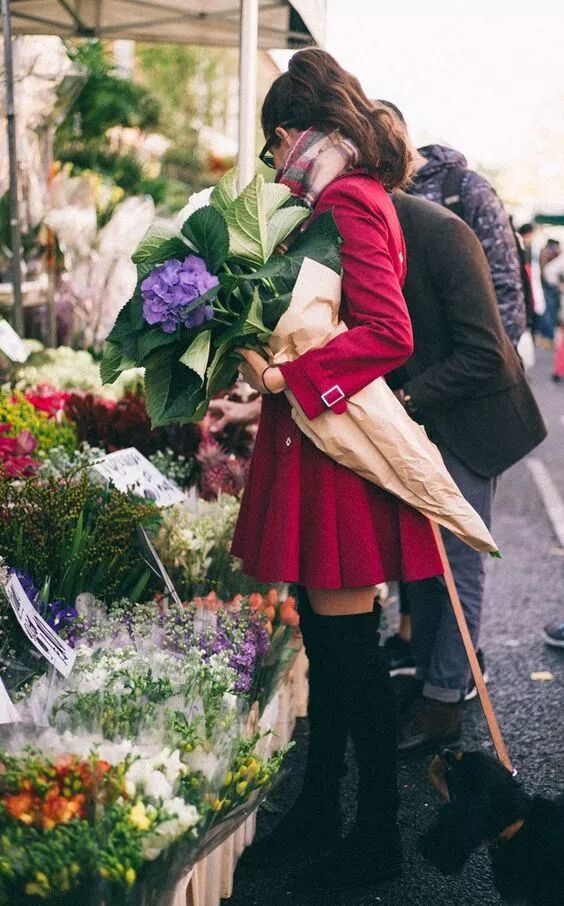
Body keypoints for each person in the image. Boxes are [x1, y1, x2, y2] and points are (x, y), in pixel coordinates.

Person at [228, 48, 445, 894]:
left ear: (291, 129)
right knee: (329, 647)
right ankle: (327, 811)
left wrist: (286, 377)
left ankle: (375, 833)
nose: (273, 158)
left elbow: (391, 333)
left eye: (274, 142)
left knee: (348, 658)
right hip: (316, 441)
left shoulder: (348, 198)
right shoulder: (340, 194)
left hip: (332, 448)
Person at [385, 189, 547, 753]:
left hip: (473, 424)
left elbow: (485, 353)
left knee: (457, 564)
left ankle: (445, 703)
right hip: (429, 422)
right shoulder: (380, 225)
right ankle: (433, 682)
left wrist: (405, 399)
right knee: (425, 564)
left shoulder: (442, 230)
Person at [379, 102, 527, 349]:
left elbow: (505, 284)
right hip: (421, 365)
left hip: (476, 360)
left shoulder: (465, 187)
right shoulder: (381, 197)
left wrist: (489, 359)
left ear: (398, 131)